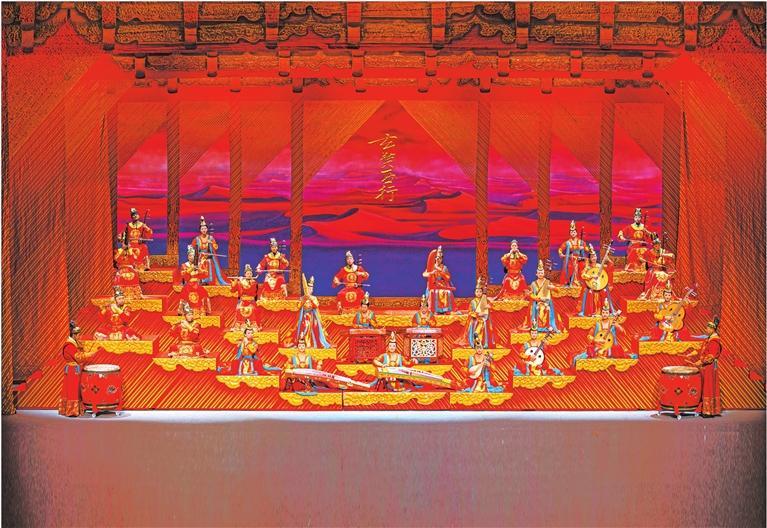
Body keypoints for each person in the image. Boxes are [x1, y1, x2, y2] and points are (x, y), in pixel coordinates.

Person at [59, 321, 97, 417]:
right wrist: (90, 354)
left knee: (75, 390)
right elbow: (79, 357)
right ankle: (72, 411)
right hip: (72, 370)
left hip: (74, 370)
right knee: (72, 390)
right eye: (78, 335)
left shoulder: (74, 344)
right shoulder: (69, 345)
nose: (79, 336)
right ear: (74, 335)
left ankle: (74, 409)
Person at [685, 317, 722, 417]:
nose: (706, 330)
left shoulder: (714, 341)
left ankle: (709, 411)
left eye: (708, 328)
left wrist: (700, 361)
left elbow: (711, 356)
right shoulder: (708, 339)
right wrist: (692, 354)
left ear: (712, 329)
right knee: (706, 387)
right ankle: (706, 409)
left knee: (708, 387)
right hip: (706, 367)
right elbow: (703, 350)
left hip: (709, 367)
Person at [578, 244, 615, 317]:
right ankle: (586, 311)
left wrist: (608, 259)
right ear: (589, 258)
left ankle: (607, 310)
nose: (594, 258)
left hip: (599, 285)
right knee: (589, 292)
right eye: (592, 257)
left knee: (605, 291)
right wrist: (591, 276)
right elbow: (583, 275)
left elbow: (609, 268)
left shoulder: (599, 266)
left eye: (594, 256)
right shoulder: (588, 267)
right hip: (590, 286)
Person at [295, 274, 332, 348]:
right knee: (305, 325)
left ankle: (315, 342)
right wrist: (304, 300)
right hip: (304, 316)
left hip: (312, 316)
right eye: (308, 289)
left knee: (314, 325)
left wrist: (311, 299)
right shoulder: (302, 298)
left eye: (310, 289)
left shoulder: (314, 298)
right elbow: (298, 307)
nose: (309, 291)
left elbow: (316, 306)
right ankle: (304, 342)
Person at [191, 216, 226, 285]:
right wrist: (198, 252)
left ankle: (209, 280)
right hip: (200, 256)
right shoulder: (197, 239)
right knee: (200, 264)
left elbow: (216, 247)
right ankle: (201, 280)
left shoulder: (211, 238)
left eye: (205, 228)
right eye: (202, 229)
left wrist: (212, 243)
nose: (204, 230)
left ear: (207, 229)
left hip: (209, 256)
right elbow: (192, 247)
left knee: (208, 262)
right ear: (200, 230)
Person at [617, 207, 654, 272]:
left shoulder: (644, 227)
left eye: (639, 217)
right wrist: (621, 237)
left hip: (642, 245)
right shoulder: (630, 227)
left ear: (641, 218)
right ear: (634, 218)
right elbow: (621, 232)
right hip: (633, 245)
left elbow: (652, 236)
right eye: (636, 217)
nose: (637, 219)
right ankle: (632, 267)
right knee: (633, 251)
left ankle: (646, 268)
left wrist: (646, 231)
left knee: (646, 250)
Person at [638, 236, 675, 301]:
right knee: (654, 275)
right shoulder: (650, 252)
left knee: (665, 275)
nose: (657, 247)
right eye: (656, 246)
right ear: (653, 246)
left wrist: (663, 255)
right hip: (653, 269)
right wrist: (642, 260)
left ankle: (666, 294)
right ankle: (651, 294)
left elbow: (672, 256)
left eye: (659, 245)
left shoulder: (663, 251)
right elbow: (642, 258)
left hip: (662, 269)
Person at [527, 260, 561, 332]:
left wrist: (553, 288)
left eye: (542, 273)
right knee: (538, 308)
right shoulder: (533, 284)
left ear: (544, 273)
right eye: (539, 273)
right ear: (536, 274)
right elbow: (530, 294)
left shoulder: (547, 282)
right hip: (537, 301)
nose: (540, 274)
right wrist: (536, 298)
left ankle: (548, 326)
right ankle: (537, 326)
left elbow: (557, 290)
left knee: (546, 309)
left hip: (547, 301)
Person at [463, 278, 495, 348]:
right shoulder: (473, 302)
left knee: (485, 325)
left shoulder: (485, 300)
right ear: (475, 292)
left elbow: (490, 307)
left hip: (484, 319)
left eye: (480, 292)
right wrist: (477, 314)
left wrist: (489, 307)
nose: (478, 293)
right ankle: (476, 343)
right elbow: (470, 312)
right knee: (476, 326)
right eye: (477, 291)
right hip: (475, 319)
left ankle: (484, 343)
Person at [423, 246, 455, 314]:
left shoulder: (444, 267)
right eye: (437, 257)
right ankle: (434, 310)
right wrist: (430, 273)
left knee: (448, 292)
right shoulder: (431, 266)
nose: (438, 259)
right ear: (435, 258)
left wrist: (440, 271)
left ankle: (445, 310)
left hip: (442, 285)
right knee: (433, 292)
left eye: (440, 258)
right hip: (433, 284)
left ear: (442, 259)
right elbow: (424, 274)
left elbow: (448, 278)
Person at [230, 264, 260, 332]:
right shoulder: (240, 282)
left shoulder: (254, 283)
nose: (249, 275)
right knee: (238, 309)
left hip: (251, 302)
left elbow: (248, 289)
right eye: (247, 274)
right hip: (242, 302)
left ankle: (252, 326)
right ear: (245, 274)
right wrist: (235, 282)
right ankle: (239, 326)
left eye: (250, 274)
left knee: (252, 309)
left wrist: (241, 281)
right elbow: (233, 290)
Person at [557, 220, 587, 286]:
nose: (573, 233)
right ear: (570, 233)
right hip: (571, 259)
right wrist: (561, 254)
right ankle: (571, 282)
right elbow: (560, 249)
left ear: (576, 233)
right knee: (570, 268)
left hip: (579, 259)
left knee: (583, 267)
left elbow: (586, 249)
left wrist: (585, 248)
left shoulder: (580, 242)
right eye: (571, 232)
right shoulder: (568, 242)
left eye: (574, 232)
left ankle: (580, 282)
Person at [113, 234, 142, 299]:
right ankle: (119, 295)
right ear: (121, 243)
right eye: (123, 243)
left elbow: (133, 261)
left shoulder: (131, 251)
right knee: (119, 276)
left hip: (130, 268)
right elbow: (117, 260)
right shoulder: (119, 251)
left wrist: (129, 251)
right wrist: (122, 251)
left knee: (134, 275)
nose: (125, 244)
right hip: (121, 268)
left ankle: (135, 295)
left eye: (127, 243)